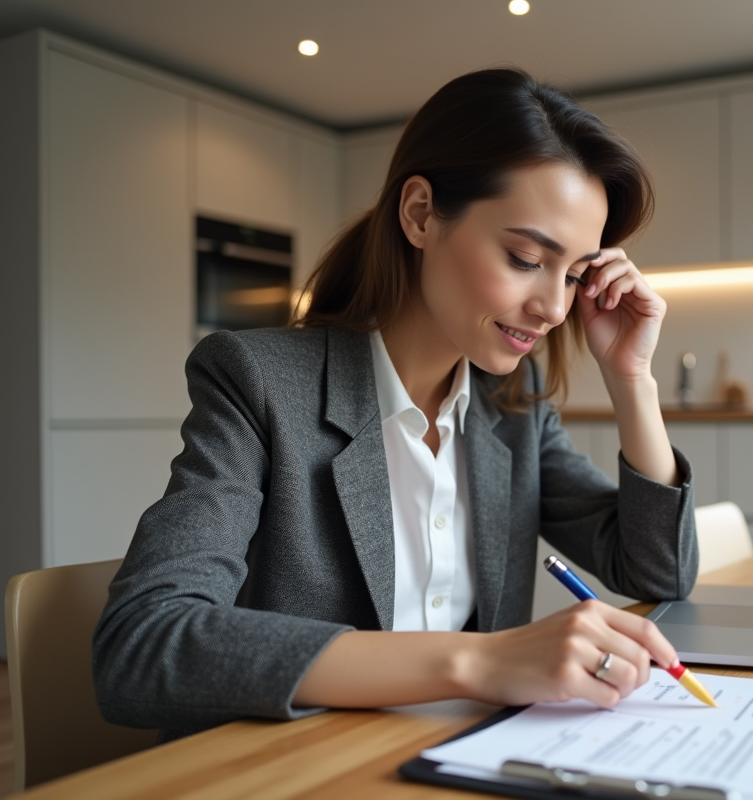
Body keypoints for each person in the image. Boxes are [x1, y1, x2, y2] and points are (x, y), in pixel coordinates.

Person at [93, 68, 698, 742]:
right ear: (419, 214)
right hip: (308, 769)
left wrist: (632, 379)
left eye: (577, 275)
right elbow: (142, 643)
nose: (555, 307)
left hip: (468, 759)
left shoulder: (511, 407)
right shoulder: (258, 382)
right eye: (527, 257)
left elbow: (659, 572)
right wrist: (480, 660)